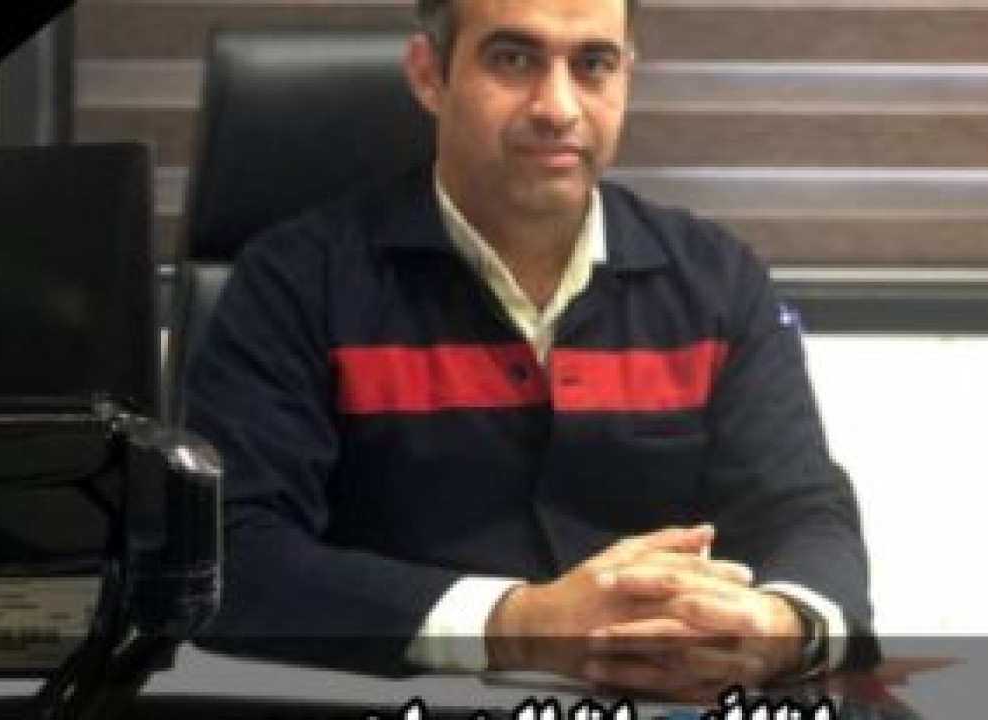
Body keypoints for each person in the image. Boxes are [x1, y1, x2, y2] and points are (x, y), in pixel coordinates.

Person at [186, 0, 880, 701]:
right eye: (513, 60)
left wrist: (779, 626)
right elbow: (234, 555)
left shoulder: (717, 282)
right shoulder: (298, 281)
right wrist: (516, 624)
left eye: (593, 65)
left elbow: (803, 510)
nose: (558, 107)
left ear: (627, 76)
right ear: (429, 75)